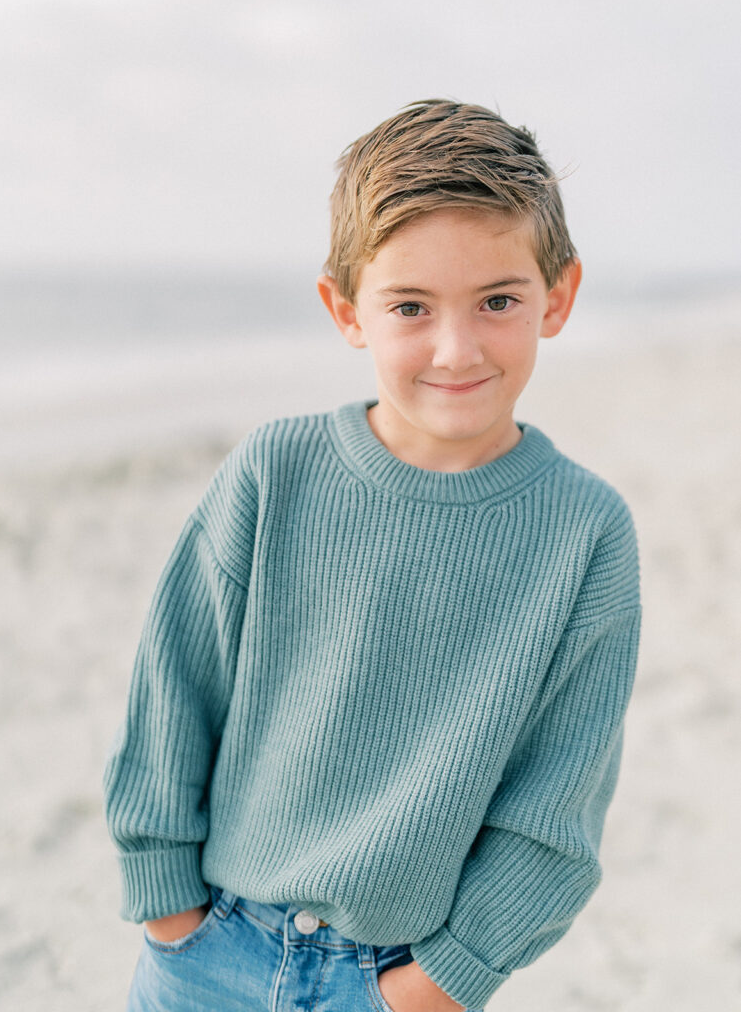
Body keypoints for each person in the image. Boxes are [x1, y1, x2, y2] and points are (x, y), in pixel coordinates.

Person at [103, 98, 641, 1012]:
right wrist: (168, 908)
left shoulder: (584, 531)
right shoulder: (276, 472)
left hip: (394, 982)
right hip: (209, 949)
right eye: (410, 306)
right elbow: (174, 689)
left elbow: (557, 799)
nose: (455, 347)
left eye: (497, 301)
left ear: (557, 297)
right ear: (345, 309)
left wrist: (436, 982)